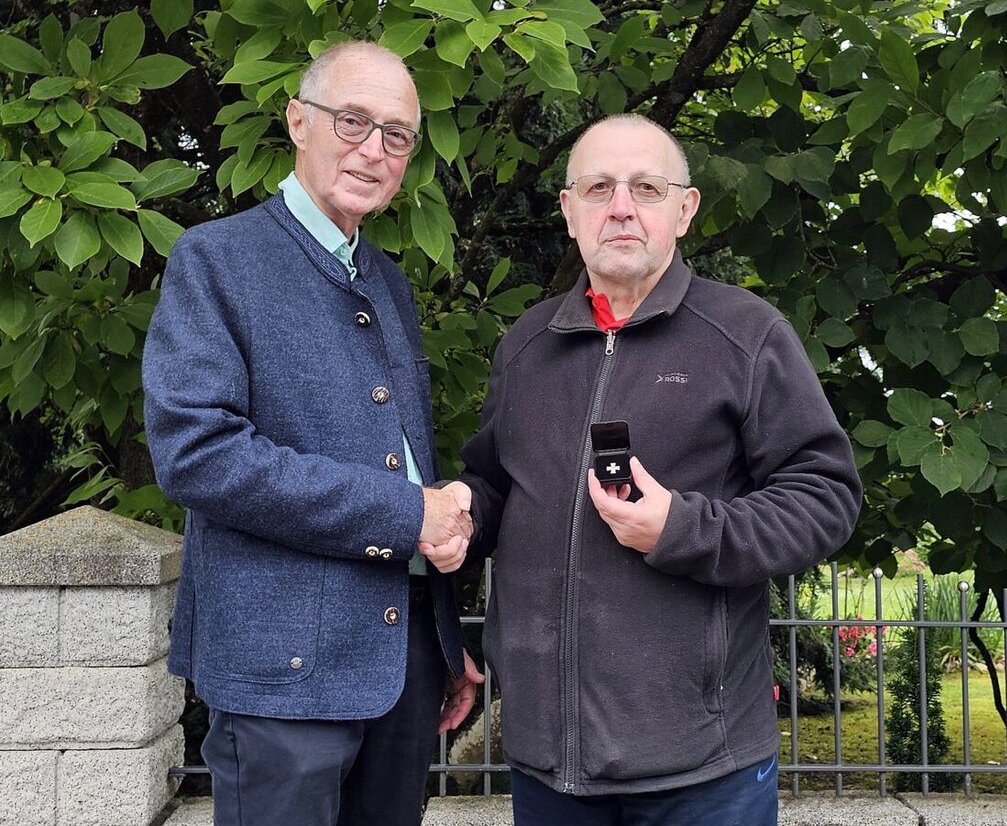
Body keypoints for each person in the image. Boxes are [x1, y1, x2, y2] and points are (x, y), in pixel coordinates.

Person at [431, 114, 862, 825]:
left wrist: (680, 528)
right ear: (569, 210)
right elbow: (498, 486)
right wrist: (463, 510)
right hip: (548, 761)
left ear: (684, 210)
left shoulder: (747, 335)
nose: (622, 207)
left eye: (647, 188)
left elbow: (826, 497)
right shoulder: (527, 345)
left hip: (702, 765)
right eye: (599, 187)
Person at [142, 41, 483, 826]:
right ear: (298, 121)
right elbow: (198, 454)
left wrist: (438, 634)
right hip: (280, 678)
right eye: (352, 121)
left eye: (396, 135)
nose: (373, 149)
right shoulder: (215, 259)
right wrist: (409, 513)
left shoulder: (388, 280)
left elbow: (399, 460)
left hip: (401, 672)